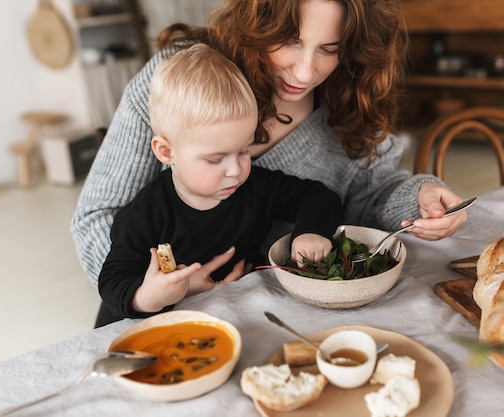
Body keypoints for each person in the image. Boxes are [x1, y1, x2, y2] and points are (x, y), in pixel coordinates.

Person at [72, 0, 467, 293]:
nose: (305, 72)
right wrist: (169, 291)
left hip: (277, 312)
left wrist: (422, 198)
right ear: (255, 21)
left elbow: (372, 197)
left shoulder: (350, 97)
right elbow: (96, 219)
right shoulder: (175, 81)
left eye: (329, 49)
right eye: (289, 41)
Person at [96, 43, 343, 326]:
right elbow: (112, 283)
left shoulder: (255, 187)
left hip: (221, 321)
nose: (235, 170)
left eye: (244, 151)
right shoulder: (144, 215)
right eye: (215, 159)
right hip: (145, 329)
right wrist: (147, 297)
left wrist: (310, 233)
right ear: (166, 152)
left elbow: (317, 196)